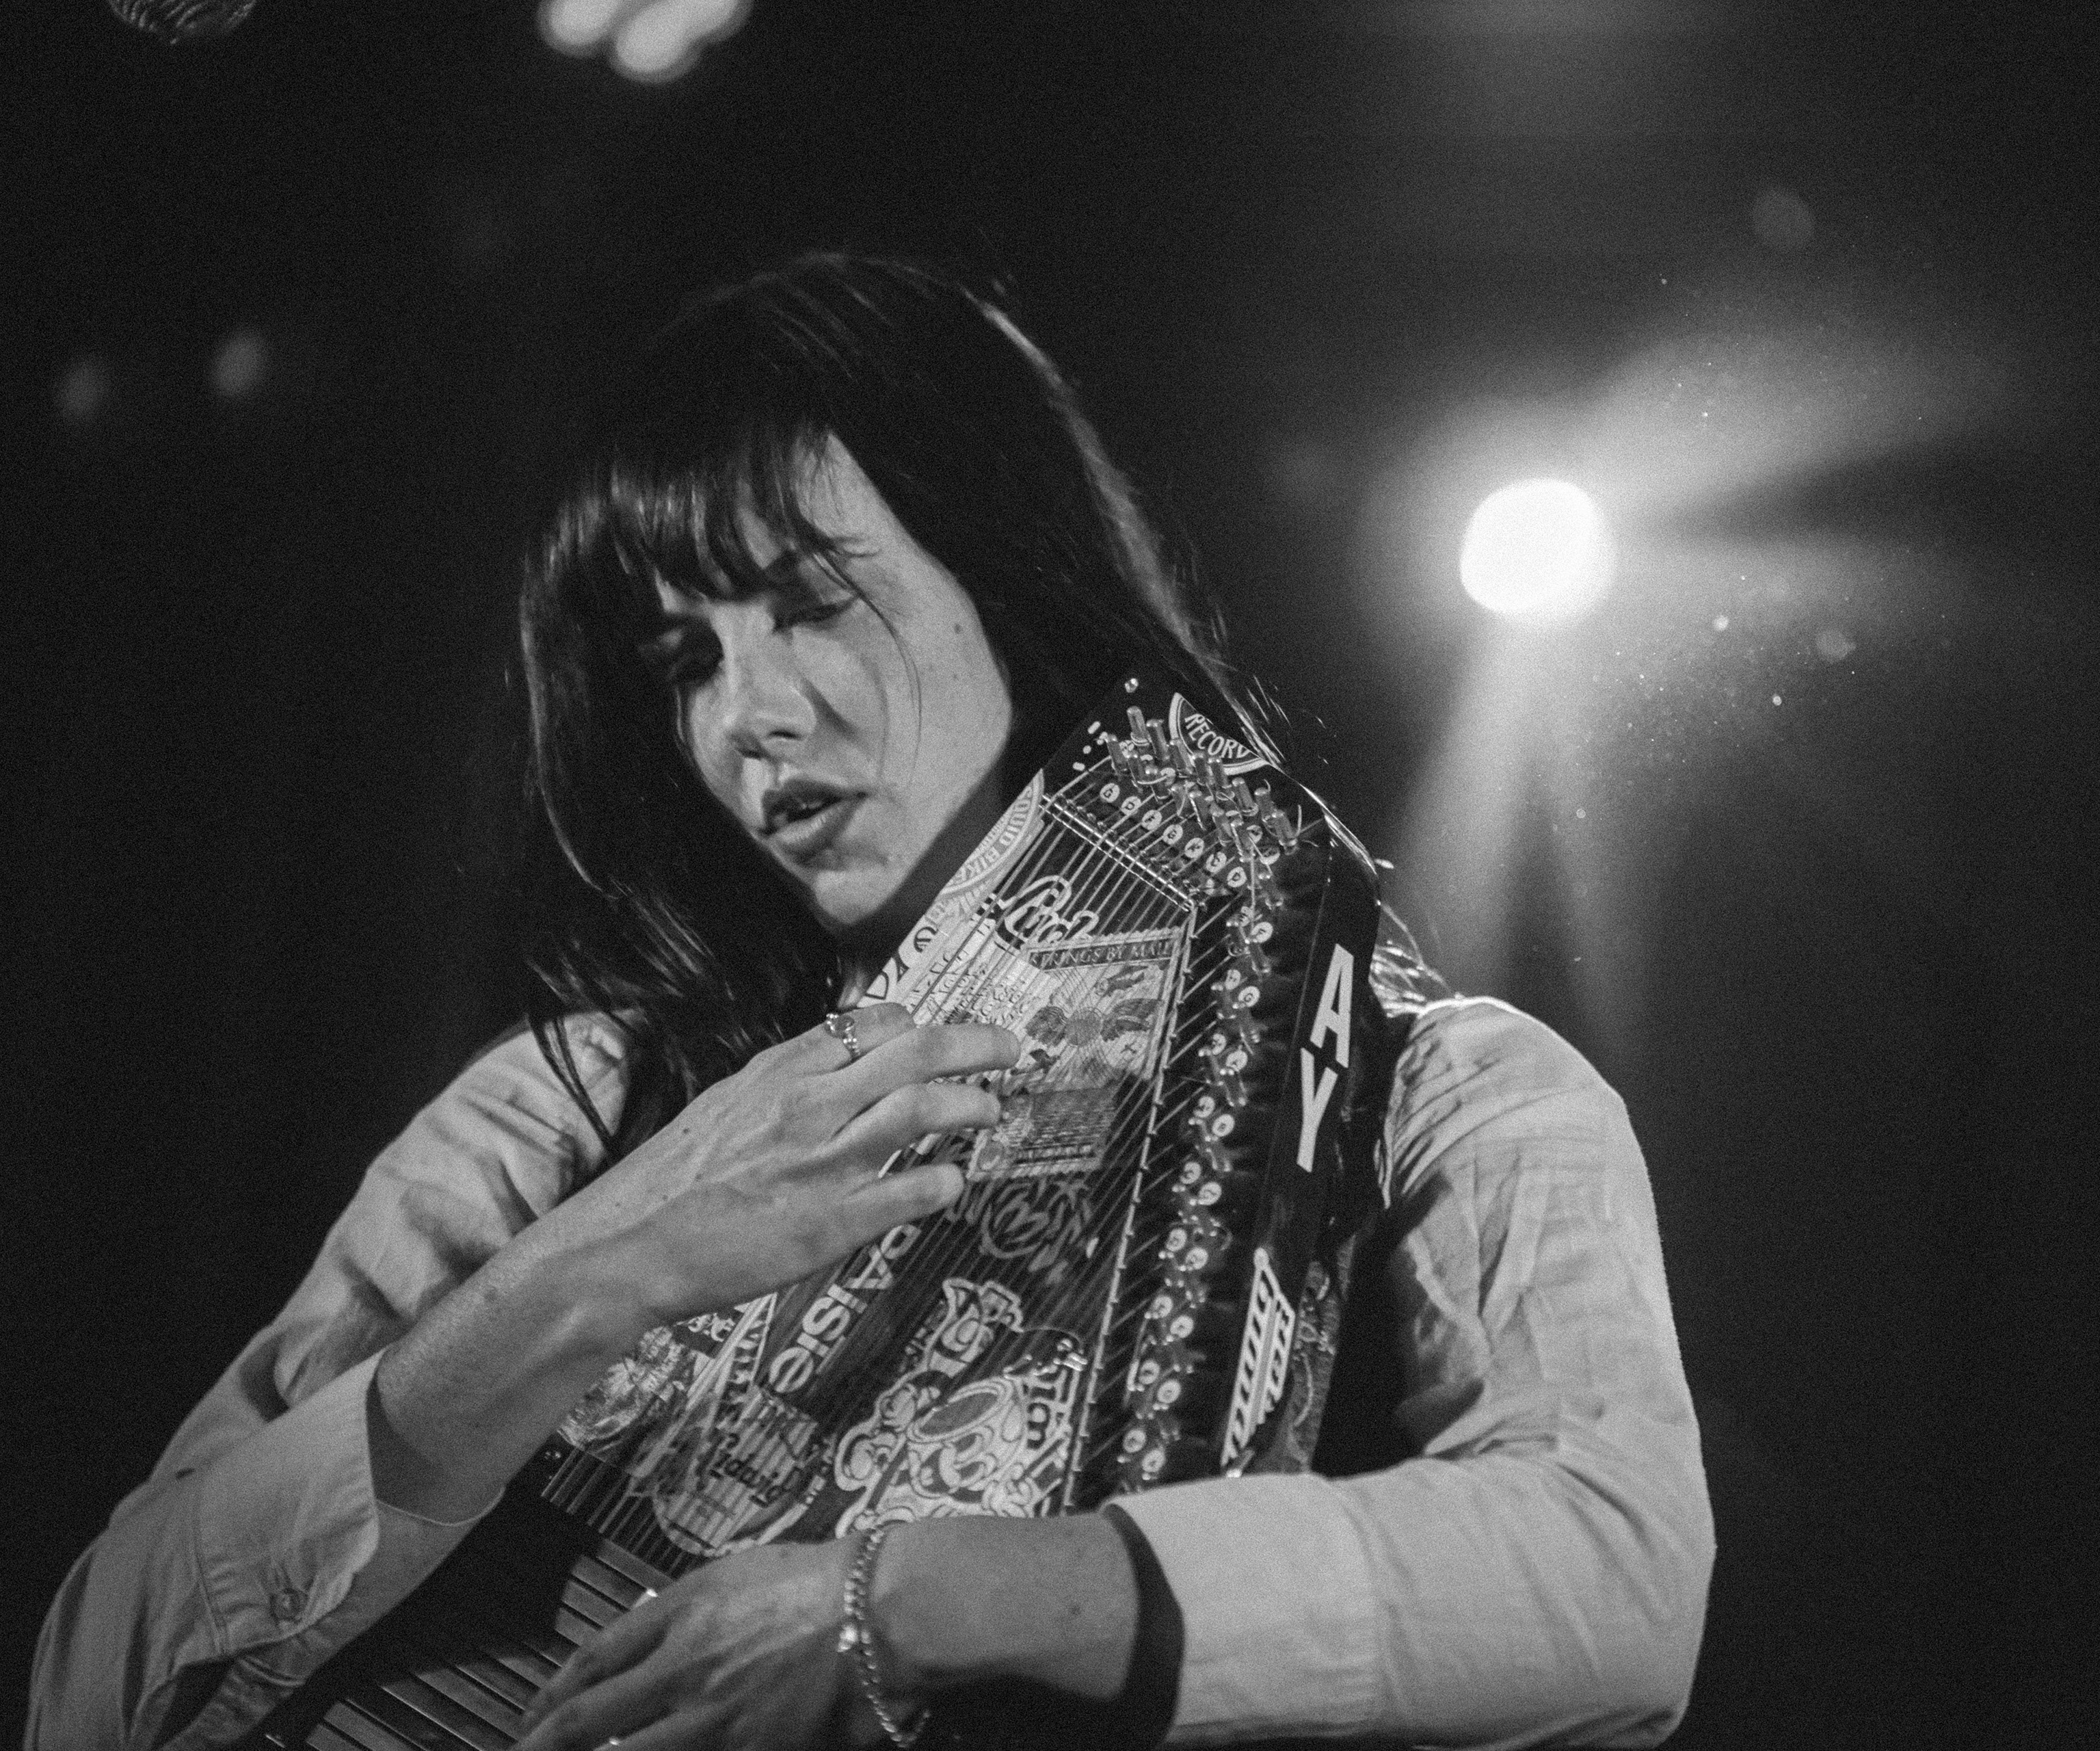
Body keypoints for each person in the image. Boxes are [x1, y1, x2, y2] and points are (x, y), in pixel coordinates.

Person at [27, 256, 1712, 1751]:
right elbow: (95, 1679)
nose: (744, 716)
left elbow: (1615, 1586)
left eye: (805, 603)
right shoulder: (574, 1104)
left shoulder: (1439, 1091)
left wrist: (914, 1599)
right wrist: (602, 1264)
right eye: (684, 659)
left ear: (1008, 576)